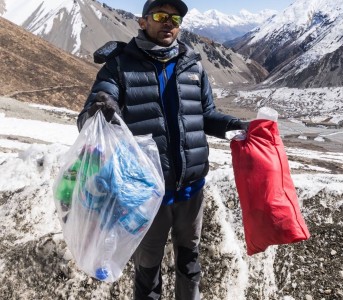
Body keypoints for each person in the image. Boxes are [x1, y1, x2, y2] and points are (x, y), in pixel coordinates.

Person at [77, 0, 248, 298]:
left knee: (189, 261)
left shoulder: (192, 64)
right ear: (143, 22)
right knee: (148, 268)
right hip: (146, 194)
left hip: (191, 189)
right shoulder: (120, 65)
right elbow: (94, 111)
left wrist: (238, 126)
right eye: (159, 16)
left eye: (175, 18)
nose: (168, 22)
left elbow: (206, 115)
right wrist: (101, 108)